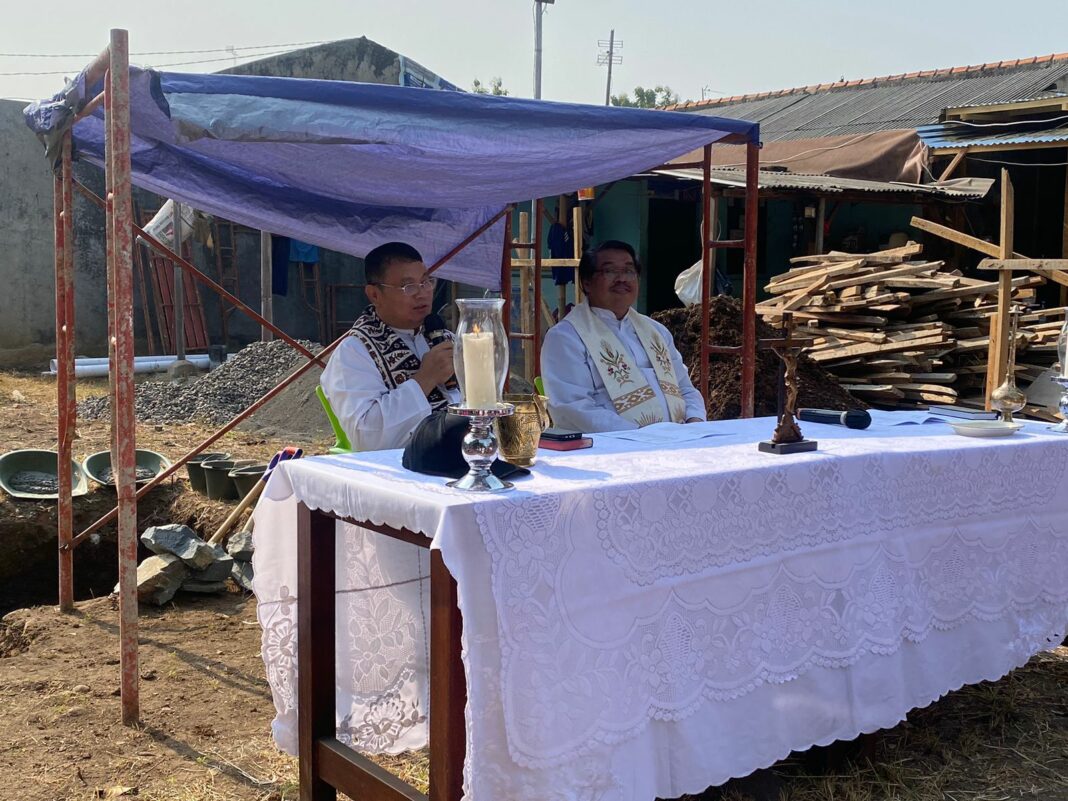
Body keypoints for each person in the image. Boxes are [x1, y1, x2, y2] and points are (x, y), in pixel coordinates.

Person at [541, 240, 707, 433]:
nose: (622, 279)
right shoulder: (566, 338)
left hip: (679, 441)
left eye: (629, 271)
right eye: (610, 271)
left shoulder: (657, 331)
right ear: (586, 282)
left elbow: (685, 388)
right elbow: (573, 409)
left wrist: (695, 423)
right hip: (610, 451)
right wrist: (642, 437)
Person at [320, 242, 461, 451]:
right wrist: (425, 379)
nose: (422, 293)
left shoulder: (445, 339)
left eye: (426, 282)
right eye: (408, 286)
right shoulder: (354, 352)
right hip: (400, 471)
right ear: (374, 295)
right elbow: (367, 438)